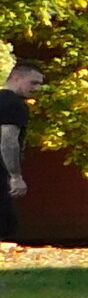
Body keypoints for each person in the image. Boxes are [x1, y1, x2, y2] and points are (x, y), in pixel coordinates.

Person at [0, 60, 36, 243]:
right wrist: (15, 176)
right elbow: (7, 141)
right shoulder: (14, 104)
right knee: (5, 223)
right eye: (33, 82)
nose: (37, 88)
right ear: (15, 78)